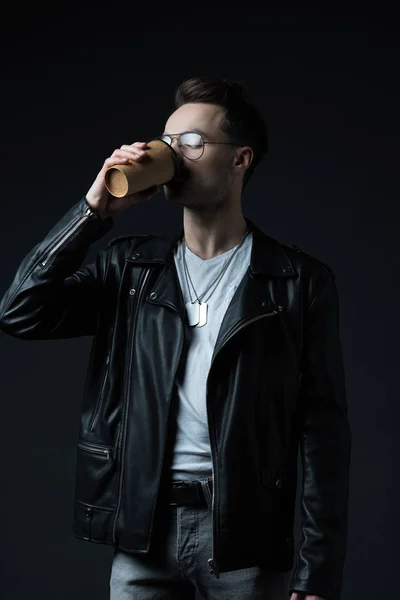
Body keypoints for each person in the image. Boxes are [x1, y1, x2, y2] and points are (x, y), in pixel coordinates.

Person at [0, 76, 351, 600]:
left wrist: (317, 568)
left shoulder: (298, 282)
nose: (172, 154)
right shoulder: (131, 269)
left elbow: (322, 432)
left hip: (244, 541)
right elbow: (21, 310)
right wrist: (93, 213)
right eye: (167, 141)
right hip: (143, 532)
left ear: (241, 160)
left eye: (192, 142)